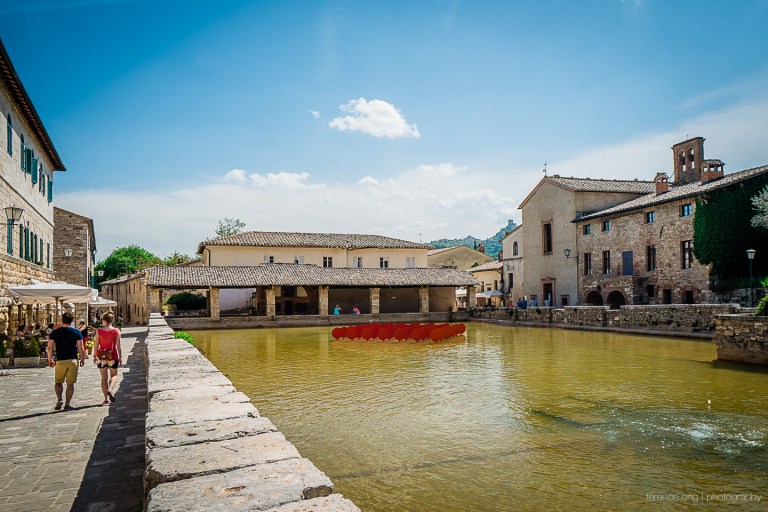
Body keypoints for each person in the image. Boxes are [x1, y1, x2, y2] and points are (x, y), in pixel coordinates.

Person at [47, 312, 85, 411]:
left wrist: (50, 359)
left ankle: (59, 399)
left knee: (58, 382)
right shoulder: (76, 332)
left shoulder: (54, 332)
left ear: (61, 320)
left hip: (60, 360)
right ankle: (67, 404)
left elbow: (50, 347)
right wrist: (82, 358)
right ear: (72, 321)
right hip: (72, 360)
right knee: (70, 384)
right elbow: (81, 347)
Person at [93, 312, 122, 405]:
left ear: (104, 320)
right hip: (113, 356)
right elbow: (118, 346)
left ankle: (106, 399)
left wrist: (94, 356)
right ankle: (110, 389)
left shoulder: (99, 331)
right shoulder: (116, 331)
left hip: (101, 357)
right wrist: (120, 357)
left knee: (103, 378)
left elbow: (96, 345)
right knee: (114, 376)